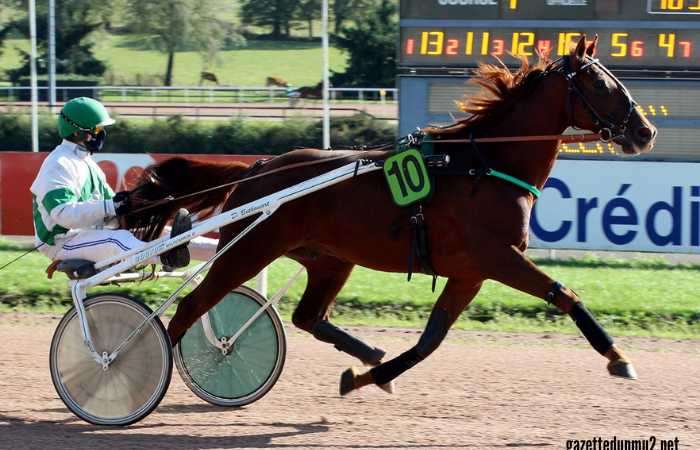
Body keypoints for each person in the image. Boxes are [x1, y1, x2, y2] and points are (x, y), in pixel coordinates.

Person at [31, 97, 217, 271]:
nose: (102, 133)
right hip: (61, 243)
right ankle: (166, 258)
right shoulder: (57, 164)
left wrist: (142, 209)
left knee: (163, 232)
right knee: (119, 240)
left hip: (91, 235)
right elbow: (63, 215)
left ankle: (223, 249)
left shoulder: (89, 165)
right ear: (77, 132)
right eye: (96, 129)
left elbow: (109, 212)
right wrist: (111, 205)